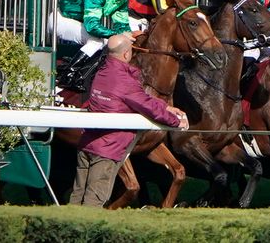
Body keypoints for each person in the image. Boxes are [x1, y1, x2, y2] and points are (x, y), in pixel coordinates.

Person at [68, 34, 189, 207]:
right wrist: (176, 121)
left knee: (76, 197)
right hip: (106, 151)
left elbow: (139, 96)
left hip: (87, 145)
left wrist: (166, 107)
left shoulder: (102, 72)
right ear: (126, 54)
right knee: (93, 203)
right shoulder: (125, 80)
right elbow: (145, 104)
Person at [53, 0, 143, 74]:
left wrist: (131, 37)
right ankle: (69, 74)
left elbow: (122, 26)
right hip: (61, 19)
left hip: (79, 23)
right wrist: (117, 35)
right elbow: (92, 26)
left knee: (110, 43)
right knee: (96, 41)